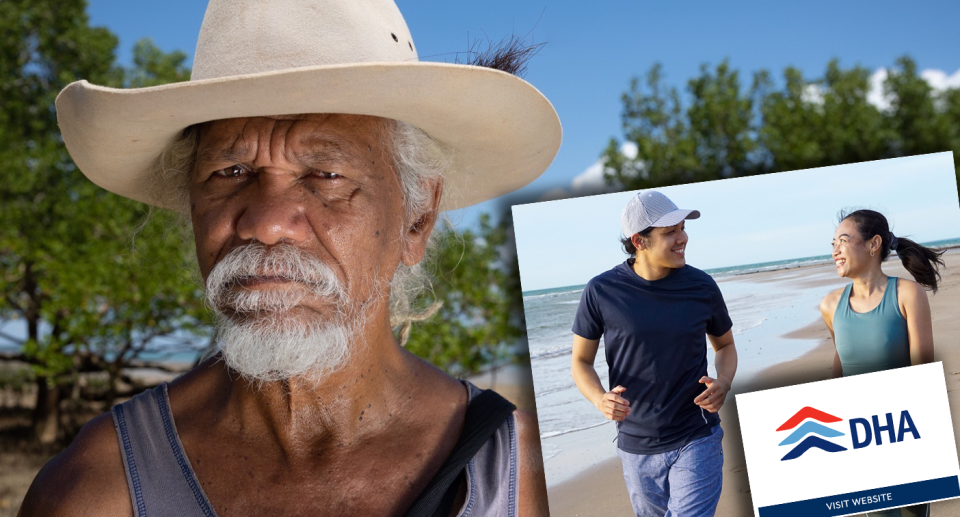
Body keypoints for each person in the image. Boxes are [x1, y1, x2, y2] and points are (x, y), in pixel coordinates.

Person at [19, 1, 561, 516]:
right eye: (230, 172)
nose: (267, 222)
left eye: (324, 175)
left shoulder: (533, 480)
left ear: (416, 219)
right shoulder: (95, 491)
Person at [569, 190, 738, 517]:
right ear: (639, 241)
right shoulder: (601, 291)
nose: (683, 238)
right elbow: (580, 361)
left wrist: (725, 381)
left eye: (682, 228)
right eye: (670, 232)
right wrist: (599, 398)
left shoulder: (701, 286)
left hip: (697, 434)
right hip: (636, 448)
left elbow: (726, 345)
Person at [820, 209, 943, 517]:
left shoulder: (906, 294)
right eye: (833, 242)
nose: (835, 250)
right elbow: (841, 364)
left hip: (903, 430)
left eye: (843, 241)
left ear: (873, 244)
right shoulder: (831, 304)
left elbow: (922, 371)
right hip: (859, 436)